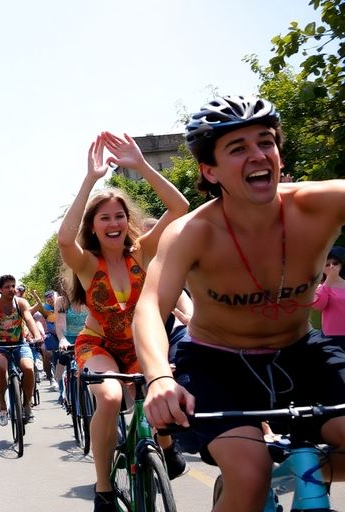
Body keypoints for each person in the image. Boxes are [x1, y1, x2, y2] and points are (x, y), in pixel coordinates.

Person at [134, 95, 345, 511]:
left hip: (302, 354)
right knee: (249, 473)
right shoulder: (191, 232)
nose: (258, 155)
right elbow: (149, 309)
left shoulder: (322, 204)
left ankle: (291, 470)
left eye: (265, 142)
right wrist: (159, 378)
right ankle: (246, 484)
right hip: (216, 362)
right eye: (238, 148)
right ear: (209, 170)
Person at [57, 131, 189, 511]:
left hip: (142, 345)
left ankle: (163, 443)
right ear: (94, 226)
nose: (113, 223)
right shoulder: (86, 262)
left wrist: (141, 164)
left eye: (119, 216)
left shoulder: (144, 251)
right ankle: (103, 488)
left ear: (126, 221)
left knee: (161, 393)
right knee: (112, 397)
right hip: (98, 346)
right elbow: (65, 239)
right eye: (104, 218)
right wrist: (90, 179)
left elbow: (179, 208)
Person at [0, 275, 42, 425]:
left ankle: (27, 404)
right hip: (0, 347)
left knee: (28, 368)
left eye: (13, 286)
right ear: (0, 290)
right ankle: (2, 405)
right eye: (7, 287)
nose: (11, 289)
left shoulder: (21, 303)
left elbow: (28, 319)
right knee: (0, 367)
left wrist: (36, 335)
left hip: (20, 344)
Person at [313, 247, 345, 337]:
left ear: (341, 265)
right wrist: (329, 280)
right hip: (331, 334)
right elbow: (319, 306)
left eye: (335, 263)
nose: (332, 266)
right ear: (322, 269)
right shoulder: (320, 287)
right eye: (327, 265)